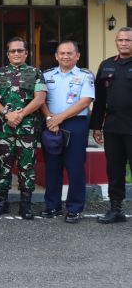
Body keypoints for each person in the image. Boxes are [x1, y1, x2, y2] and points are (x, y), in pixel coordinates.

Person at [0, 37, 47, 220]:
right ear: (7, 54)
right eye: (12, 51)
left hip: (27, 128)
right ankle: (1, 202)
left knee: (26, 166)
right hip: (4, 127)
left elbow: (40, 99)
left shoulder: (36, 73)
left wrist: (20, 115)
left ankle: (25, 204)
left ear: (26, 53)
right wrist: (7, 115)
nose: (16, 54)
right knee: (3, 165)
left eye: (20, 50)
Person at [40, 41, 94, 224]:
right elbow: (41, 100)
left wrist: (59, 118)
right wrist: (49, 119)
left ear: (77, 55)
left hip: (75, 125)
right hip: (51, 124)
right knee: (52, 167)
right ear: (56, 56)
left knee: (75, 167)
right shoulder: (46, 75)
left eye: (70, 53)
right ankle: (52, 205)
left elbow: (85, 101)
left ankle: (74, 208)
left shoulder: (85, 76)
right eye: (61, 53)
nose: (65, 56)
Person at [91, 27, 132, 224]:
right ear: (116, 41)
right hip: (113, 127)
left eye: (128, 40)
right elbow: (99, 100)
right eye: (121, 40)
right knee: (114, 170)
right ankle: (116, 209)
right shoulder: (106, 65)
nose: (124, 43)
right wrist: (96, 126)